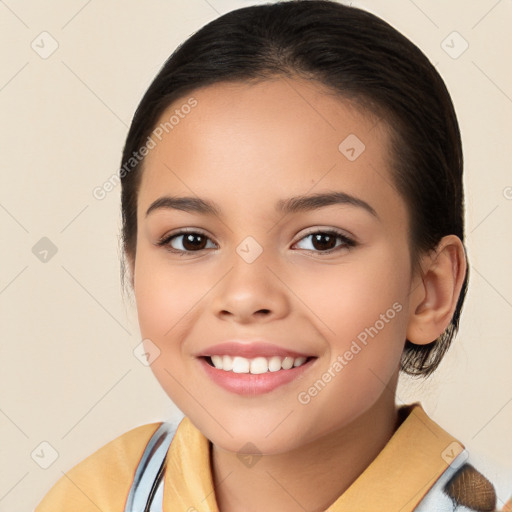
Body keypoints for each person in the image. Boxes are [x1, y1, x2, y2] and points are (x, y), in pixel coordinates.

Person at [36, 1, 507, 510]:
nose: (244, 296)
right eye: (191, 240)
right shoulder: (96, 495)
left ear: (430, 290)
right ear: (133, 265)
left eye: (322, 240)